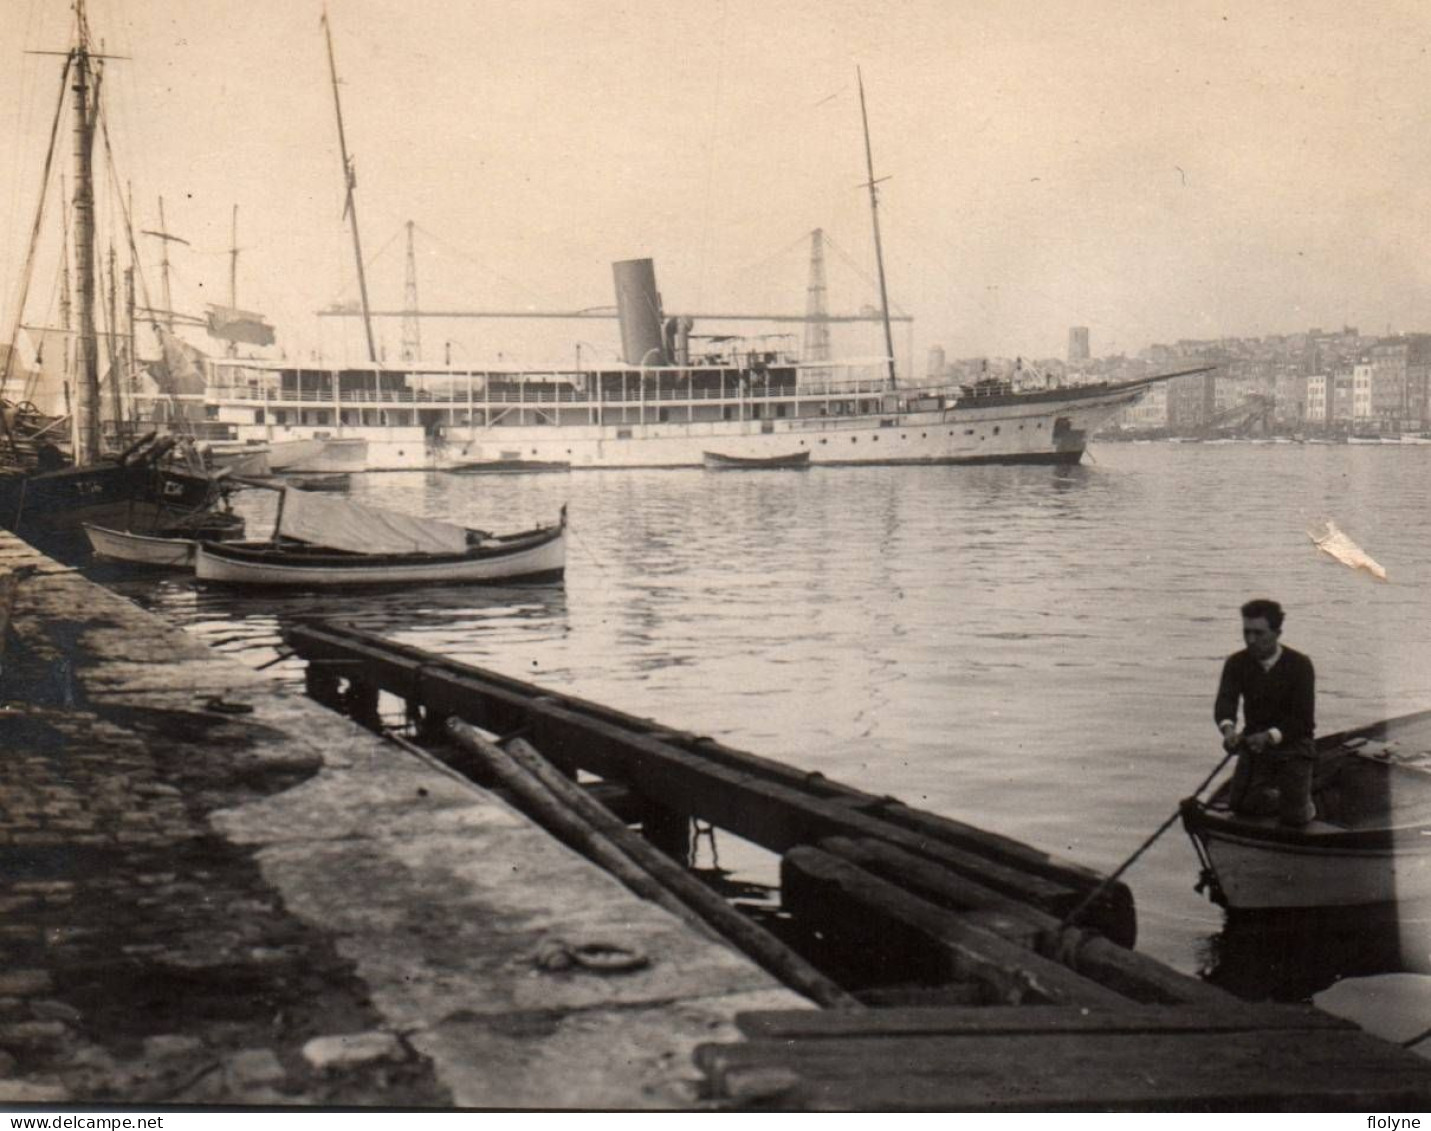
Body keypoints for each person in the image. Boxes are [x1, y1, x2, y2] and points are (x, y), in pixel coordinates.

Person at [1214, 598, 1317, 826]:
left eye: (1259, 633)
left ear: (1277, 633)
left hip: (1294, 746)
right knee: (1239, 807)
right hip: (1254, 745)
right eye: (1246, 632)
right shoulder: (1236, 663)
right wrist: (1229, 731)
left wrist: (1269, 736)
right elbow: (1225, 702)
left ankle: (1306, 802)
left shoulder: (1300, 665)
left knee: (1295, 818)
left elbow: (1303, 721)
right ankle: (1273, 794)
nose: (1251, 640)